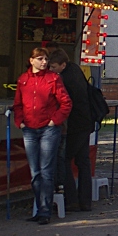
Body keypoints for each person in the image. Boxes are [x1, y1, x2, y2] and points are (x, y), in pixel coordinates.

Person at [14, 47, 71, 224]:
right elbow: (18, 104)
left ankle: (45, 211)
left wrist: (55, 121)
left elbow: (66, 103)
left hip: (48, 129)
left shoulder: (53, 79)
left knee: (46, 170)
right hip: (30, 128)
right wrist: (20, 122)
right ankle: (39, 208)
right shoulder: (23, 80)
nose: (44, 62)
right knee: (35, 172)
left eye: (45, 59)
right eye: (40, 59)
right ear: (31, 61)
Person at [48, 48, 93, 212]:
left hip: (75, 124)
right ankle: (85, 200)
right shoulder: (75, 69)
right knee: (83, 162)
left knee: (65, 159)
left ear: (62, 64)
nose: (51, 70)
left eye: (53, 67)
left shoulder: (65, 78)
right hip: (86, 121)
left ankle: (71, 198)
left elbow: (64, 101)